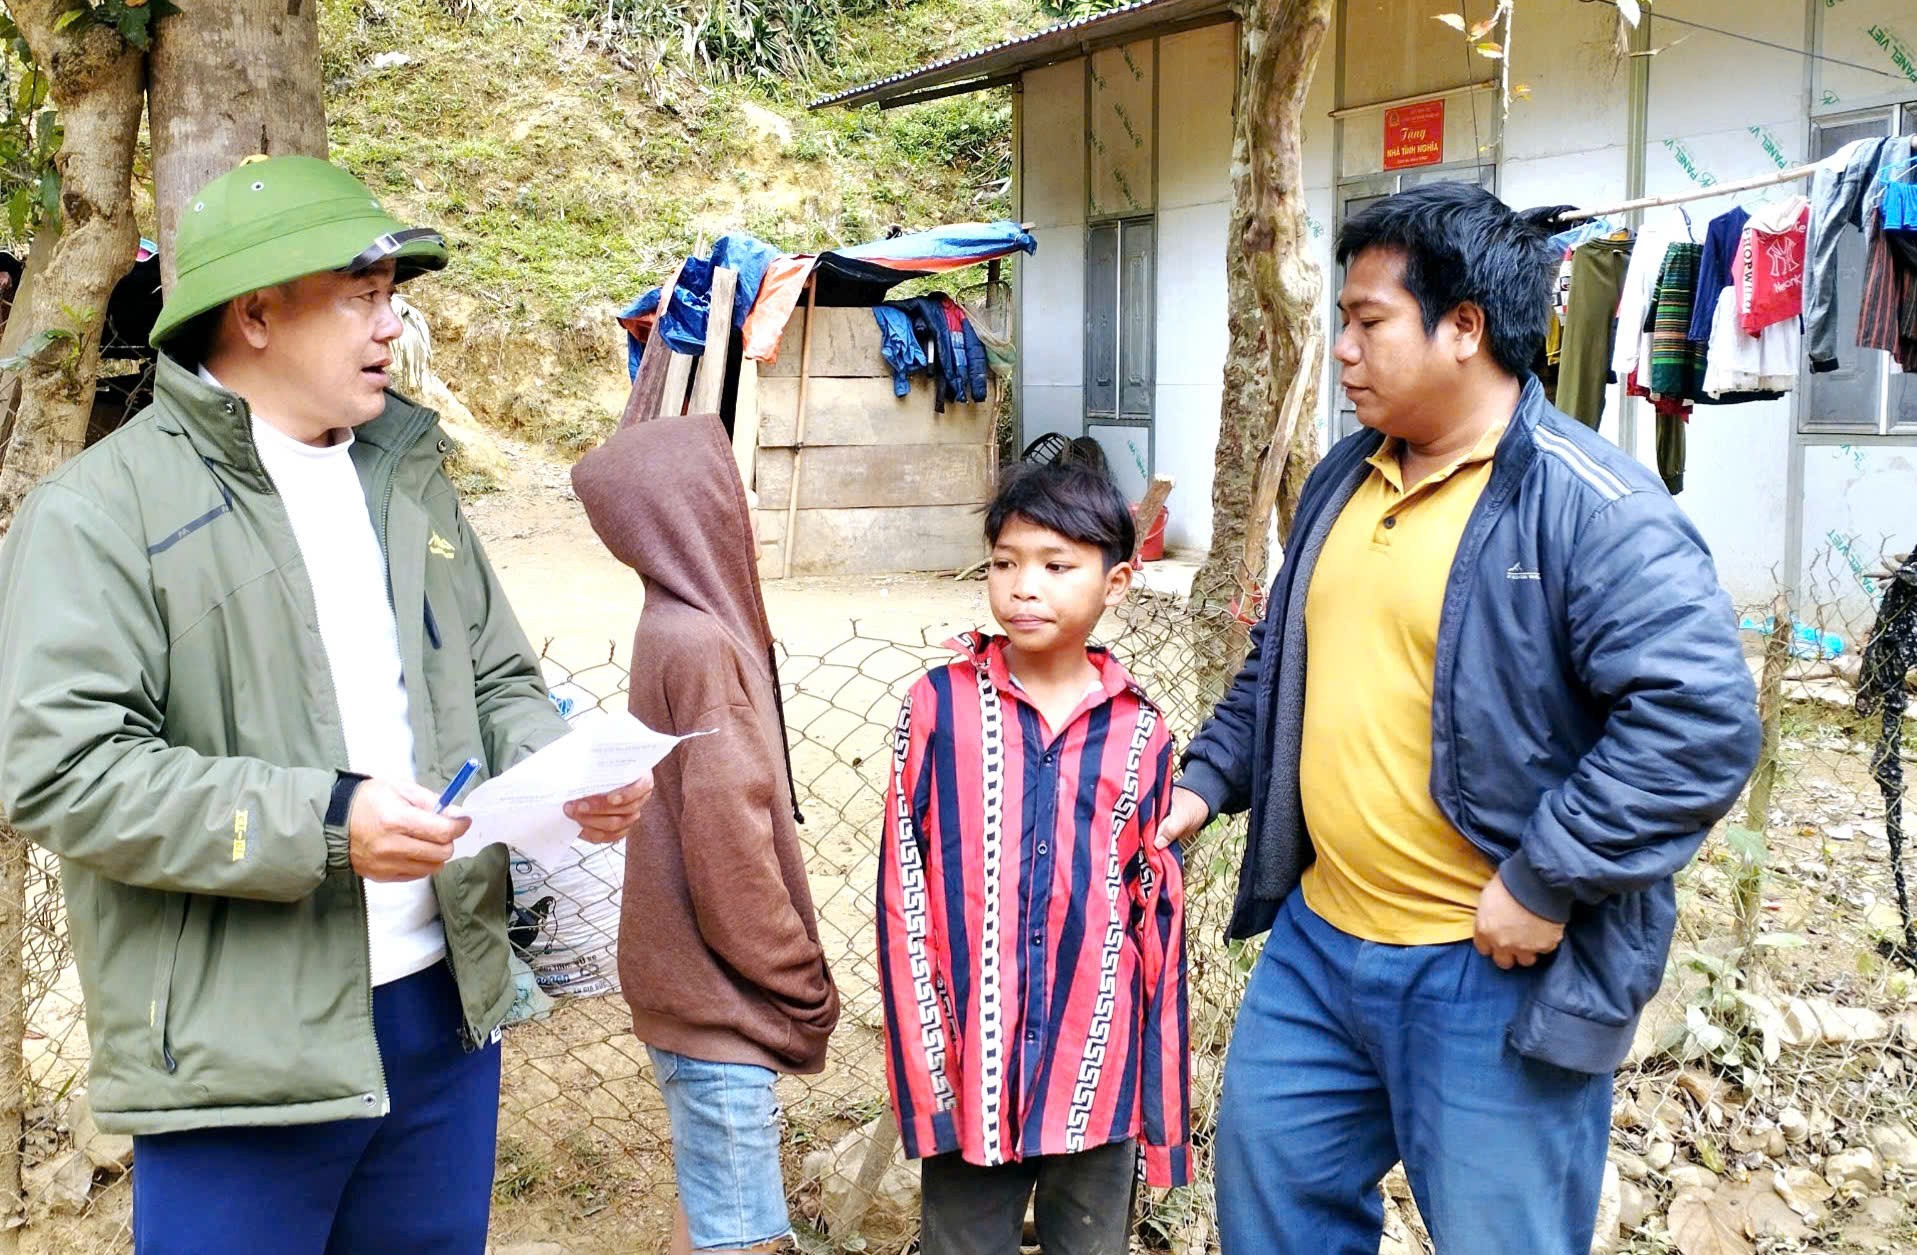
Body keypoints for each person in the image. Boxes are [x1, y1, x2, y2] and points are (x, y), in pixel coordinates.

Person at [0, 154, 653, 1254]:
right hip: (240, 1045)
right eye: (362, 295)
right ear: (254, 312)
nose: (392, 325)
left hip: (440, 1013)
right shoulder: (99, 513)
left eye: (394, 295)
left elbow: (497, 676)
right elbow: (61, 769)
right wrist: (325, 819)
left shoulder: (404, 469)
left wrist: (565, 766)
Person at [1159, 183, 1759, 1253]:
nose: (1341, 347)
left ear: (1465, 327)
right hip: (1317, 950)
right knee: (1270, 1221)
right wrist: (1206, 780)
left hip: (1491, 975)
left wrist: (1542, 878)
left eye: (1368, 320)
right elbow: (1283, 662)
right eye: (1341, 320)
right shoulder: (1348, 475)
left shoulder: (1592, 507)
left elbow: (1699, 720)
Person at [878, 462, 1189, 1255]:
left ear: (1116, 582)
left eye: (1055, 566)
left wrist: (1156, 1086)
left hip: (1097, 1061)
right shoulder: (938, 707)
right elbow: (902, 888)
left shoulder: (1140, 731)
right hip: (970, 1059)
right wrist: (925, 1058)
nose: (1023, 587)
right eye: (1004, 562)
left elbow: (1153, 916)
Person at [571, 411, 839, 1255]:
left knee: (710, 1224)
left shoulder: (672, 624)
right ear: (696, 509)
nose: (746, 504)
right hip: (723, 1003)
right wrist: (801, 983)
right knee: (743, 1239)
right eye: (732, 487)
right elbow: (730, 853)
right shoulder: (699, 645)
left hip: (685, 995)